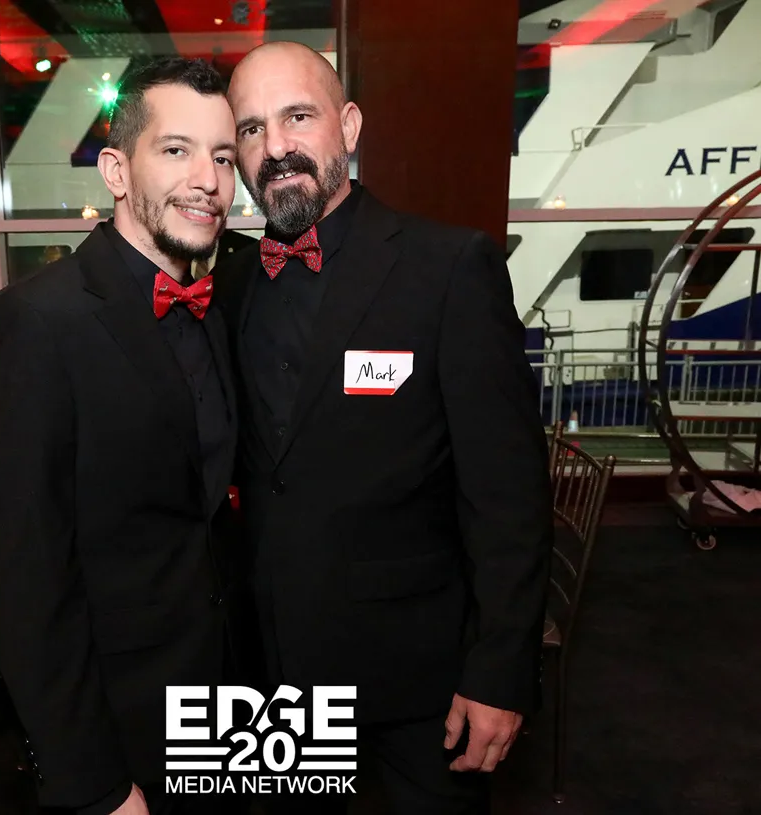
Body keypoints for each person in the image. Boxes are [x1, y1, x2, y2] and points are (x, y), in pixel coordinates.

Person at [213, 42, 554, 814]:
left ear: (349, 126)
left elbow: (507, 493)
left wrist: (500, 670)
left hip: (419, 673)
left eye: (298, 117)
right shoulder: (231, 280)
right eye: (252, 128)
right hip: (272, 669)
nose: (276, 146)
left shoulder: (448, 268)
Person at [0, 57, 243, 815]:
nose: (208, 181)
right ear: (116, 171)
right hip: (118, 725)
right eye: (176, 150)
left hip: (220, 701)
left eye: (222, 157)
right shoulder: (31, 326)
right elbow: (24, 583)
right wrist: (93, 783)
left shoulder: (214, 309)